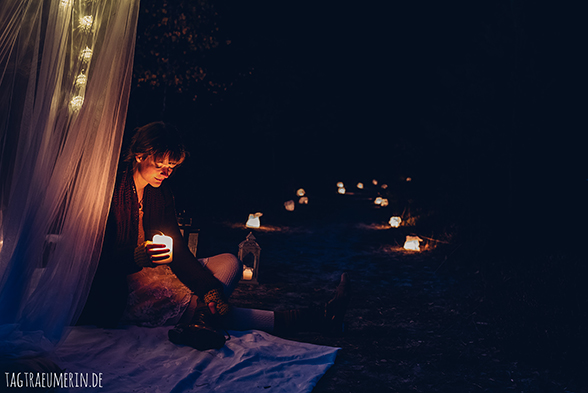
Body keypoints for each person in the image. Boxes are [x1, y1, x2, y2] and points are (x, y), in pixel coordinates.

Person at [78, 122, 349, 350]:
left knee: (229, 263)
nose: (167, 173)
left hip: (158, 272)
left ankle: (200, 322)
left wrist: (209, 289)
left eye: (172, 166)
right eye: (161, 165)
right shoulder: (110, 190)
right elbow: (90, 258)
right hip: (124, 286)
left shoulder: (159, 193)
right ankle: (319, 318)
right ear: (140, 155)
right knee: (221, 312)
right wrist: (136, 256)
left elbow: (179, 251)